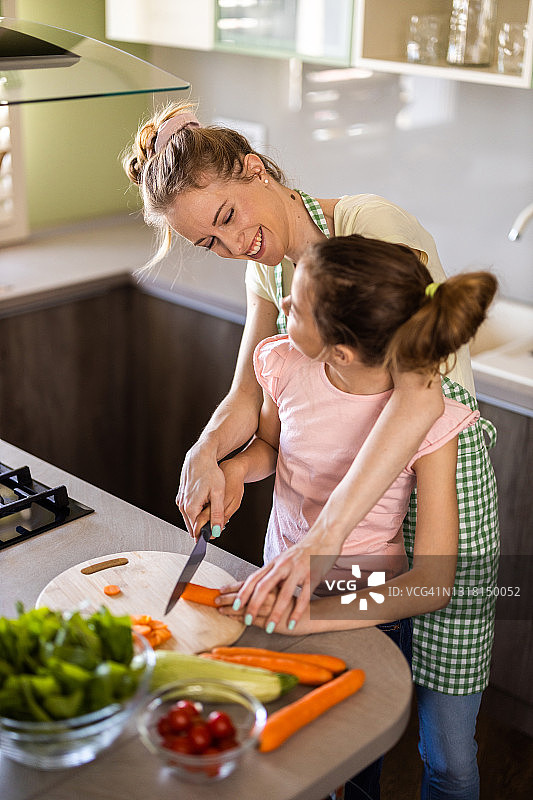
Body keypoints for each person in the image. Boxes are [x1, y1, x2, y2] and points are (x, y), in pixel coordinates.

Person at [123, 102, 499, 798]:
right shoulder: (269, 275)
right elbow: (250, 395)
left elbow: (419, 399)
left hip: (431, 478)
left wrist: (321, 544)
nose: (234, 246)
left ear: (254, 169)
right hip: (342, 530)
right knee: (345, 723)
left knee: (446, 743)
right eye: (208, 242)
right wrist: (210, 454)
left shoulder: (371, 228)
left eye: (227, 217)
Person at [213, 234, 497, 800]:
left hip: (365, 610)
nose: (282, 307)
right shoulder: (284, 365)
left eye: (296, 306)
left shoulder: (437, 425)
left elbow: (433, 583)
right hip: (281, 580)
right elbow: (270, 447)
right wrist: (233, 469)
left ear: (340, 350)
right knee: (286, 753)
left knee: (348, 763)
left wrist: (312, 618)